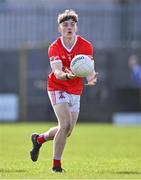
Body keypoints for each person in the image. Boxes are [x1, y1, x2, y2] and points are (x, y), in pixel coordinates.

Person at [30, 9, 98, 173]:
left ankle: (39, 139)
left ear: (76, 28)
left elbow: (89, 69)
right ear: (60, 28)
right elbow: (58, 73)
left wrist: (91, 77)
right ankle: (56, 166)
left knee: (67, 131)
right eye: (65, 24)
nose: (69, 27)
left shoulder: (86, 45)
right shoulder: (54, 47)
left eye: (72, 24)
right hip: (57, 86)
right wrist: (69, 75)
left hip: (75, 90)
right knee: (65, 124)